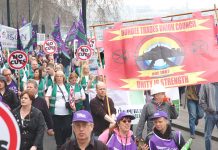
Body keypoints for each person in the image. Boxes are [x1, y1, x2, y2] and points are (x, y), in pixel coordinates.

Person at [45, 70, 72, 149]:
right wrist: (48, 104)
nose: (59, 78)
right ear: (55, 78)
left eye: (61, 76)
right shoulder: (52, 87)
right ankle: (59, 145)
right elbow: (47, 97)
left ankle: (63, 142)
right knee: (57, 130)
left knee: (67, 129)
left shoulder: (68, 86)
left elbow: (72, 97)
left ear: (63, 77)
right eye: (57, 76)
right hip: (56, 113)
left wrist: (73, 106)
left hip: (67, 112)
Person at [199, 82, 218, 150]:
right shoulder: (205, 83)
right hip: (210, 114)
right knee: (207, 136)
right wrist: (207, 110)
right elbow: (201, 99)